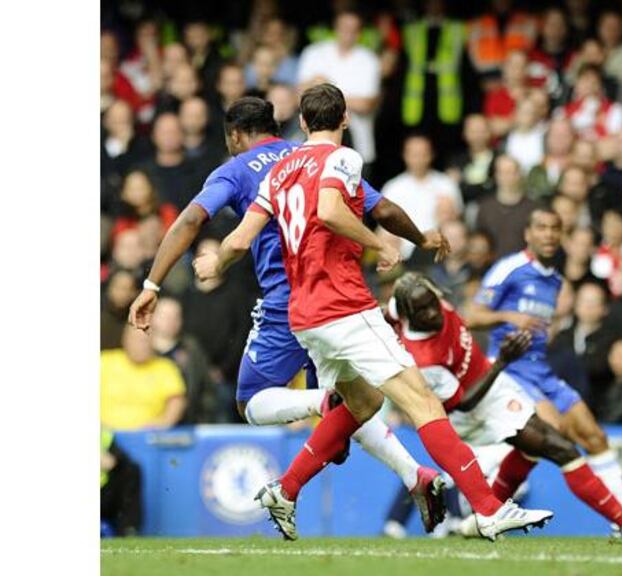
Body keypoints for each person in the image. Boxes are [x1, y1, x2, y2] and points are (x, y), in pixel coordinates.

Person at [194, 84, 552, 541]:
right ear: (344, 120)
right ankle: (487, 509)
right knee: (422, 401)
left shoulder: (280, 169)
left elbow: (242, 238)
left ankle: (285, 490)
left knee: (363, 401)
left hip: (303, 315)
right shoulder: (343, 159)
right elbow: (329, 209)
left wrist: (215, 262)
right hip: (342, 305)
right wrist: (381, 242)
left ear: (302, 123)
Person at [127, 96, 452, 535]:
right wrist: (420, 239)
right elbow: (384, 210)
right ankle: (416, 474)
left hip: (288, 303)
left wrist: (151, 285)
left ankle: (324, 404)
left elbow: (190, 219)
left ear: (235, 136)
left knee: (252, 403)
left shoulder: (237, 168)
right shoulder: (313, 157)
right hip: (338, 298)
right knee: (355, 409)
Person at [389, 273, 622, 541]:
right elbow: (463, 401)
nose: (433, 312)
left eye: (433, 303)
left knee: (541, 442)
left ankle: (484, 518)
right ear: (407, 315)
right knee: (560, 447)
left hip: (491, 386)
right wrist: (502, 360)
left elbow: (383, 311)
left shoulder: (411, 300)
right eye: (423, 310)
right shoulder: (423, 361)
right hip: (470, 412)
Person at [465, 208, 622, 519]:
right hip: (510, 369)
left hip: (540, 369)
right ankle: (489, 508)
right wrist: (508, 316)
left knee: (594, 435)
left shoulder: (554, 281)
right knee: (550, 432)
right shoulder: (509, 269)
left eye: (555, 228)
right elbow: (470, 315)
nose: (549, 234)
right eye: (541, 227)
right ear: (528, 234)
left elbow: (541, 329)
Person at [297, 10, 381, 166]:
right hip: (313, 144)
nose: (348, 33)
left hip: (358, 145)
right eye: (344, 27)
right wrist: (345, 99)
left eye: (353, 29)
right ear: (335, 28)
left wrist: (322, 90)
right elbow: (299, 96)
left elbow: (366, 105)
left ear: (360, 33)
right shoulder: (314, 53)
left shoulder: (369, 59)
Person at [381, 135, 462, 259]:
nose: (418, 159)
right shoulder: (393, 187)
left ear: (431, 155)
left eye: (423, 154)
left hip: (439, 252)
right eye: (414, 154)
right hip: (402, 254)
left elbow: (458, 219)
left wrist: (448, 215)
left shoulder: (446, 184)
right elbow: (383, 227)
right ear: (405, 156)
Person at [100, 326, 187, 431]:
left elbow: (177, 401)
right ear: (124, 339)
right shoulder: (104, 361)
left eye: (145, 341)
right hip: (104, 434)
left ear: (153, 343)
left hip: (147, 436)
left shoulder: (165, 367)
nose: (141, 346)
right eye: (136, 340)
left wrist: (164, 423)